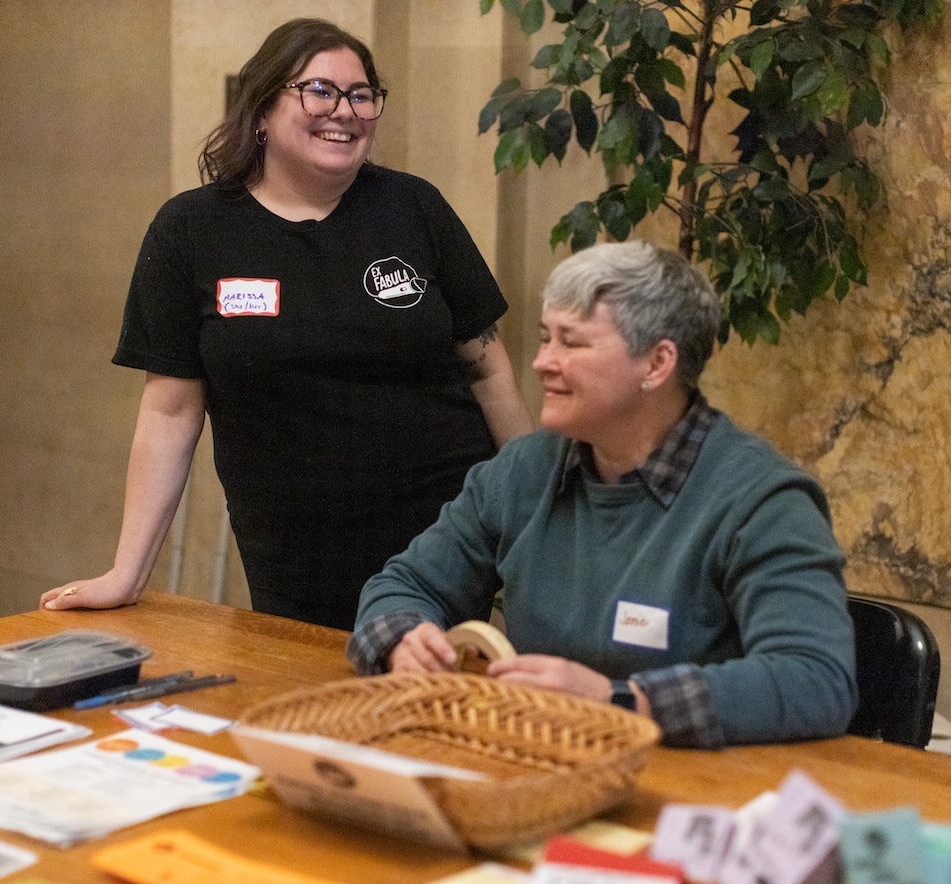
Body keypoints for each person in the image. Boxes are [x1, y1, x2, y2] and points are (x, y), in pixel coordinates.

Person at [40, 18, 532, 630]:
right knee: (308, 702)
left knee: (420, 705)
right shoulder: (192, 231)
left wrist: (537, 515)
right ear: (262, 112)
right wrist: (126, 574)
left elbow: (490, 368)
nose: (345, 111)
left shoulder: (414, 207)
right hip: (291, 548)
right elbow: (169, 411)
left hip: (440, 535)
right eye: (320, 91)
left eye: (361, 94)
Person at [348, 241, 858, 748]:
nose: (542, 362)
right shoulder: (524, 470)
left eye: (571, 343)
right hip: (534, 763)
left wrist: (621, 701)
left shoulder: (761, 499)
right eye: (545, 338)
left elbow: (815, 680)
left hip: (694, 796)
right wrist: (402, 641)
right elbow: (404, 585)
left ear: (657, 364)